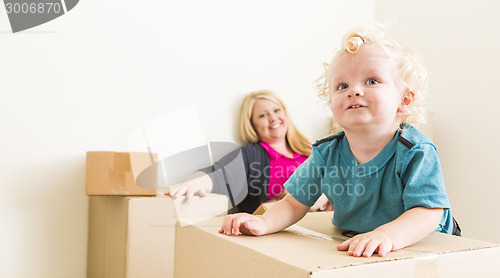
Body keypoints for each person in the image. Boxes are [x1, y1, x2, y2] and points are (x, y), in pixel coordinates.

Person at [219, 25, 460, 257]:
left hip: (426, 239)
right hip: (359, 239)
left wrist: (387, 235)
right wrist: (262, 221)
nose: (354, 90)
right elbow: (294, 204)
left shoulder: (415, 150)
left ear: (404, 100)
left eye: (372, 80)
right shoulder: (327, 152)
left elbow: (428, 212)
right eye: (342, 85)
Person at [168, 90, 330, 213]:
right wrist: (195, 183)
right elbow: (217, 174)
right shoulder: (251, 156)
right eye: (262, 115)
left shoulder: (313, 151)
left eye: (276, 110)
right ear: (252, 124)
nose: (273, 118)